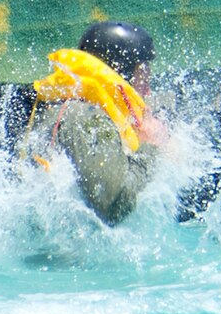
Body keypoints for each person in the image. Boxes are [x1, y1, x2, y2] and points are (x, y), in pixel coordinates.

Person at [29, 21, 169, 224]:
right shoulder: (87, 117)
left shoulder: (71, 109)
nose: (147, 91)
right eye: (143, 78)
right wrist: (151, 147)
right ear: (122, 76)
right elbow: (112, 206)